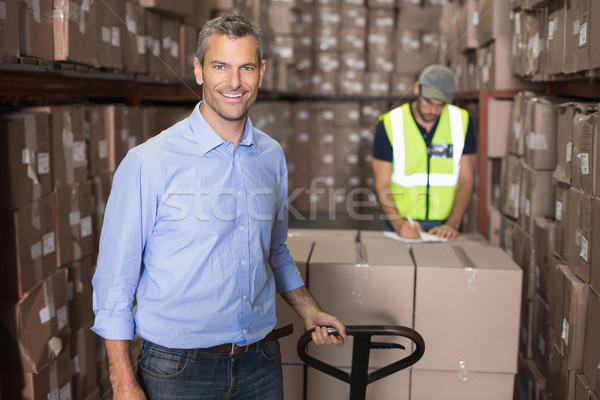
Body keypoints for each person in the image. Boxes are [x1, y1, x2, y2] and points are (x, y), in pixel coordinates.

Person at [92, 14, 346, 400]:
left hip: (260, 361)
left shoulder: (270, 155)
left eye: (245, 67)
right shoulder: (150, 161)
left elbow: (274, 249)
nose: (234, 82)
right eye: (220, 66)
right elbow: (114, 282)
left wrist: (308, 308)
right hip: (178, 370)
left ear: (261, 73)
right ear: (198, 70)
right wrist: (122, 382)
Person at [372, 64, 476, 241]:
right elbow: (382, 183)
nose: (432, 111)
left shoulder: (461, 122)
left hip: (443, 227)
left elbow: (466, 179)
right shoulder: (390, 124)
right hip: (400, 224)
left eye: (440, 105)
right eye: (428, 102)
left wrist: (453, 223)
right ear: (417, 89)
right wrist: (399, 224)